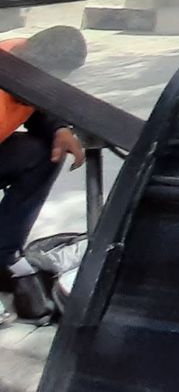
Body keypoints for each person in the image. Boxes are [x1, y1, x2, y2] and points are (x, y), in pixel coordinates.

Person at [0, 27, 87, 277]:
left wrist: (59, 127)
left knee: (43, 153)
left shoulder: (21, 54)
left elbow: (39, 104)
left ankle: (2, 255)